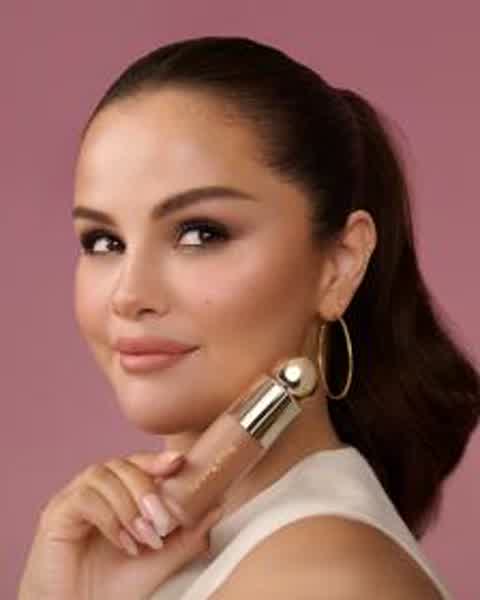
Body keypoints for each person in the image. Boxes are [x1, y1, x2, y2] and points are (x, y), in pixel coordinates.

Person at [18, 35, 479, 600]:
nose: (128, 294)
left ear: (340, 264)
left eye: (200, 233)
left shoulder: (322, 580)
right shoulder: (148, 563)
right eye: (103, 241)